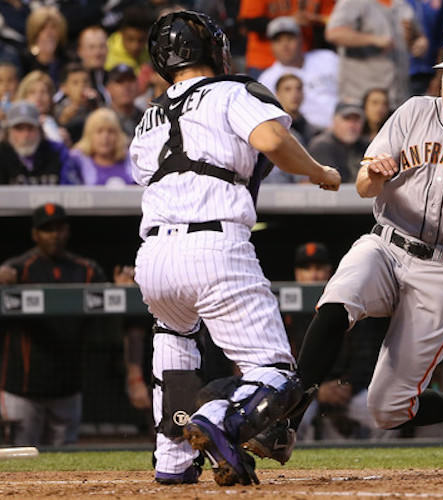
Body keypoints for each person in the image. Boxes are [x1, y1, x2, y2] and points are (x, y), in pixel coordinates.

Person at [246, 37, 443, 465]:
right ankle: (285, 427)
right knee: (336, 304)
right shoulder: (413, 111)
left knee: (387, 408)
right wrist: (374, 174)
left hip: (442, 271)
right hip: (386, 243)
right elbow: (363, 186)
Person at [129, 11, 340, 486]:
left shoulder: (148, 116)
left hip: (155, 254)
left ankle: (174, 461)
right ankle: (221, 417)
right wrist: (318, 172)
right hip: (215, 245)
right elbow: (271, 139)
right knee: (279, 377)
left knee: (175, 346)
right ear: (212, 50)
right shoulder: (232, 91)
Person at [0, 203, 107, 446]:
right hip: (23, 388)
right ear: (35, 234)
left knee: (64, 462)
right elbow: (3, 274)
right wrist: (3, 276)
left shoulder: (86, 270)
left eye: (59, 228)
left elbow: (110, 304)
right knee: (21, 460)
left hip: (67, 387)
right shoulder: (20, 268)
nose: (54, 235)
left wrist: (119, 287)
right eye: (47, 230)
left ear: (67, 230)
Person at [287, 242, 392, 442]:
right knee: (292, 416)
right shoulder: (287, 315)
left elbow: (366, 355)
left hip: (347, 390)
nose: (313, 275)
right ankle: (298, 467)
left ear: (330, 271)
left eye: (319, 268)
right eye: (306, 269)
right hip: (304, 392)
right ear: (297, 273)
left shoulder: (347, 304)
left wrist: (348, 384)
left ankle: (375, 466)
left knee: (383, 414)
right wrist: (317, 392)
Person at [326, 0, 427, 109]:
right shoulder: (352, 2)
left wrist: (420, 43)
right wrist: (373, 40)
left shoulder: (402, 5)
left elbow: (419, 36)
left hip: (397, 99)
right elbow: (334, 33)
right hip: (361, 100)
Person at [258, 16, 339, 130]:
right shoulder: (266, 80)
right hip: (303, 134)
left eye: (290, 38)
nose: (285, 45)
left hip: (344, 127)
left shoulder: (327, 58)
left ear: (301, 39)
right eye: (278, 40)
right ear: (271, 46)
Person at [0, 100, 76, 184]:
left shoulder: (57, 152)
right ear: (8, 131)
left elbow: (70, 189)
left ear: (39, 130)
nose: (25, 135)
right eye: (19, 129)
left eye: (30, 128)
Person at [307, 101, 369, 182]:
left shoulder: (367, 146)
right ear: (334, 120)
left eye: (356, 120)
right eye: (347, 119)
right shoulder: (322, 146)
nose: (352, 125)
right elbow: (331, 183)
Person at [70, 108, 133, 186]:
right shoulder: (77, 160)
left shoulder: (130, 159)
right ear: (89, 135)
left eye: (110, 131)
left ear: (118, 135)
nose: (105, 137)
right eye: (99, 131)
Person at [19, 6, 67, 86]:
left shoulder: (67, 59)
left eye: (53, 27)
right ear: (35, 32)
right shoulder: (25, 60)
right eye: (43, 28)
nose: (49, 33)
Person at [54, 63, 99, 144]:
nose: (82, 86)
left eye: (86, 81)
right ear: (64, 88)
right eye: (75, 83)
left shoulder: (97, 104)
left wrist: (96, 106)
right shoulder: (58, 110)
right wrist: (63, 120)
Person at [14, 69, 63, 143]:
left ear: (51, 97)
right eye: (32, 92)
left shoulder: (60, 126)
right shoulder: (12, 125)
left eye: (44, 92)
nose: (38, 97)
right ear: (23, 97)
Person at [105, 5, 153, 75]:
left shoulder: (151, 54)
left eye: (141, 40)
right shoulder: (105, 55)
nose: (135, 46)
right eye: (130, 39)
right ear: (120, 33)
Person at [104, 63, 144, 138]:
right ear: (108, 89)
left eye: (130, 80)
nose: (126, 86)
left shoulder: (145, 118)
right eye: (120, 82)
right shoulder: (102, 119)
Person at [74, 25, 109, 105]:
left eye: (102, 46)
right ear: (80, 51)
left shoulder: (116, 78)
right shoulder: (71, 80)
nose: (97, 52)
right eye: (91, 47)